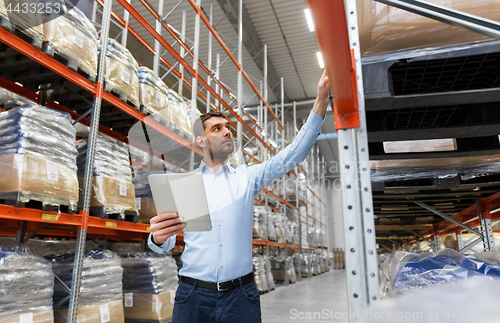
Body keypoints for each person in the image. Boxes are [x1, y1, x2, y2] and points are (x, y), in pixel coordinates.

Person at [148, 71, 330, 323]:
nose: (227, 132)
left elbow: (293, 155)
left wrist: (321, 101)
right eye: (217, 128)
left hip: (240, 297)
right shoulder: (186, 185)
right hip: (193, 296)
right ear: (201, 140)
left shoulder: (246, 178)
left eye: (228, 128)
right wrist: (157, 238)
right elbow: (166, 243)